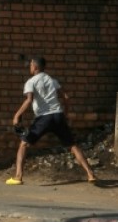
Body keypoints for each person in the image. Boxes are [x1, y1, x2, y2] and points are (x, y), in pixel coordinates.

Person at [8, 56, 96, 185]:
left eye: (31, 65)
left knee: (24, 144)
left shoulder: (31, 82)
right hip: (58, 116)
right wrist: (65, 113)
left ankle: (18, 176)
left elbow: (29, 100)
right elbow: (66, 97)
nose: (30, 67)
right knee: (72, 145)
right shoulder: (52, 80)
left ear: (35, 66)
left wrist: (16, 115)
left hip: (44, 118)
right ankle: (90, 174)